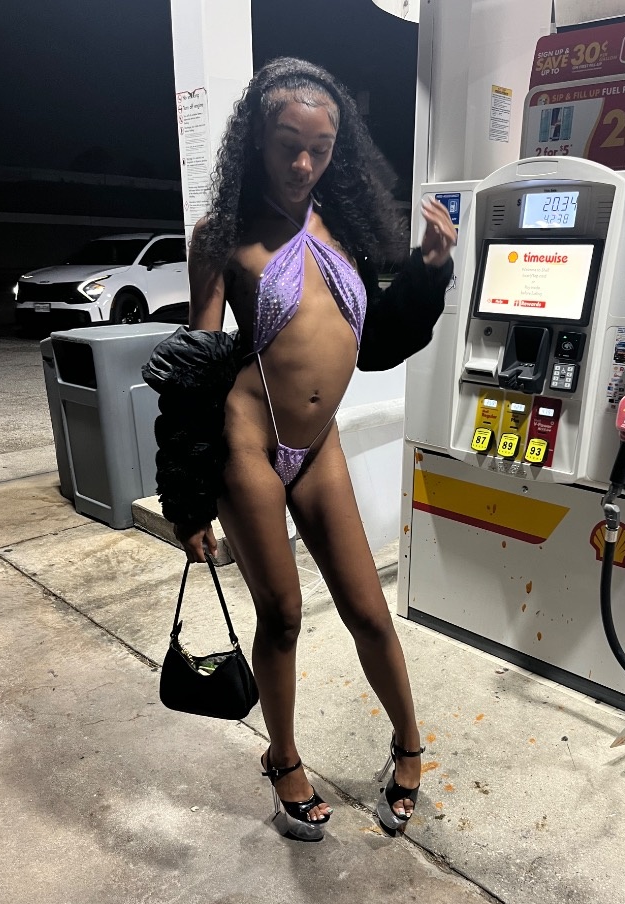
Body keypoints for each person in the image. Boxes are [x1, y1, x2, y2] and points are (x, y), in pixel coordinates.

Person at [154, 57, 455, 840]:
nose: (302, 164)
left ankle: (410, 746)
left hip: (317, 448)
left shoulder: (346, 231)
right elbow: (194, 369)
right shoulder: (222, 236)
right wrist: (188, 502)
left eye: (319, 149)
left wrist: (428, 272)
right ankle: (283, 757)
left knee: (369, 611)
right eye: (288, 145)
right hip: (245, 445)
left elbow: (374, 345)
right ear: (256, 140)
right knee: (282, 614)